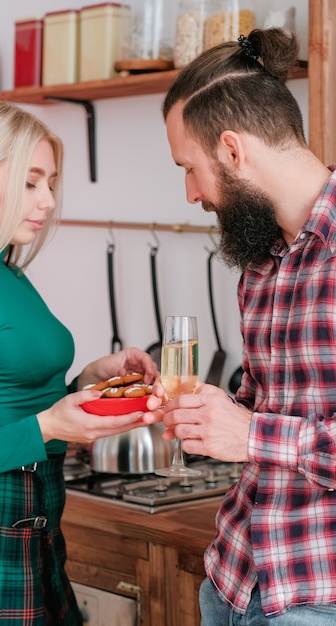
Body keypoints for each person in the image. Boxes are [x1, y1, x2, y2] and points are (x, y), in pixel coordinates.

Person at [0, 97, 158, 626]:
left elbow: (0, 398)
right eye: (30, 182)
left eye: (50, 182)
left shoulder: (7, 274)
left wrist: (89, 378)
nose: (48, 200)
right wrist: (50, 423)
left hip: (37, 521)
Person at [144, 28, 336, 625]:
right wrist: (208, 411)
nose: (190, 193)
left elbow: (261, 432)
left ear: (231, 149)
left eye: (191, 168)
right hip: (231, 579)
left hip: (316, 597)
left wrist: (250, 435)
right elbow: (270, 404)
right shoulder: (259, 260)